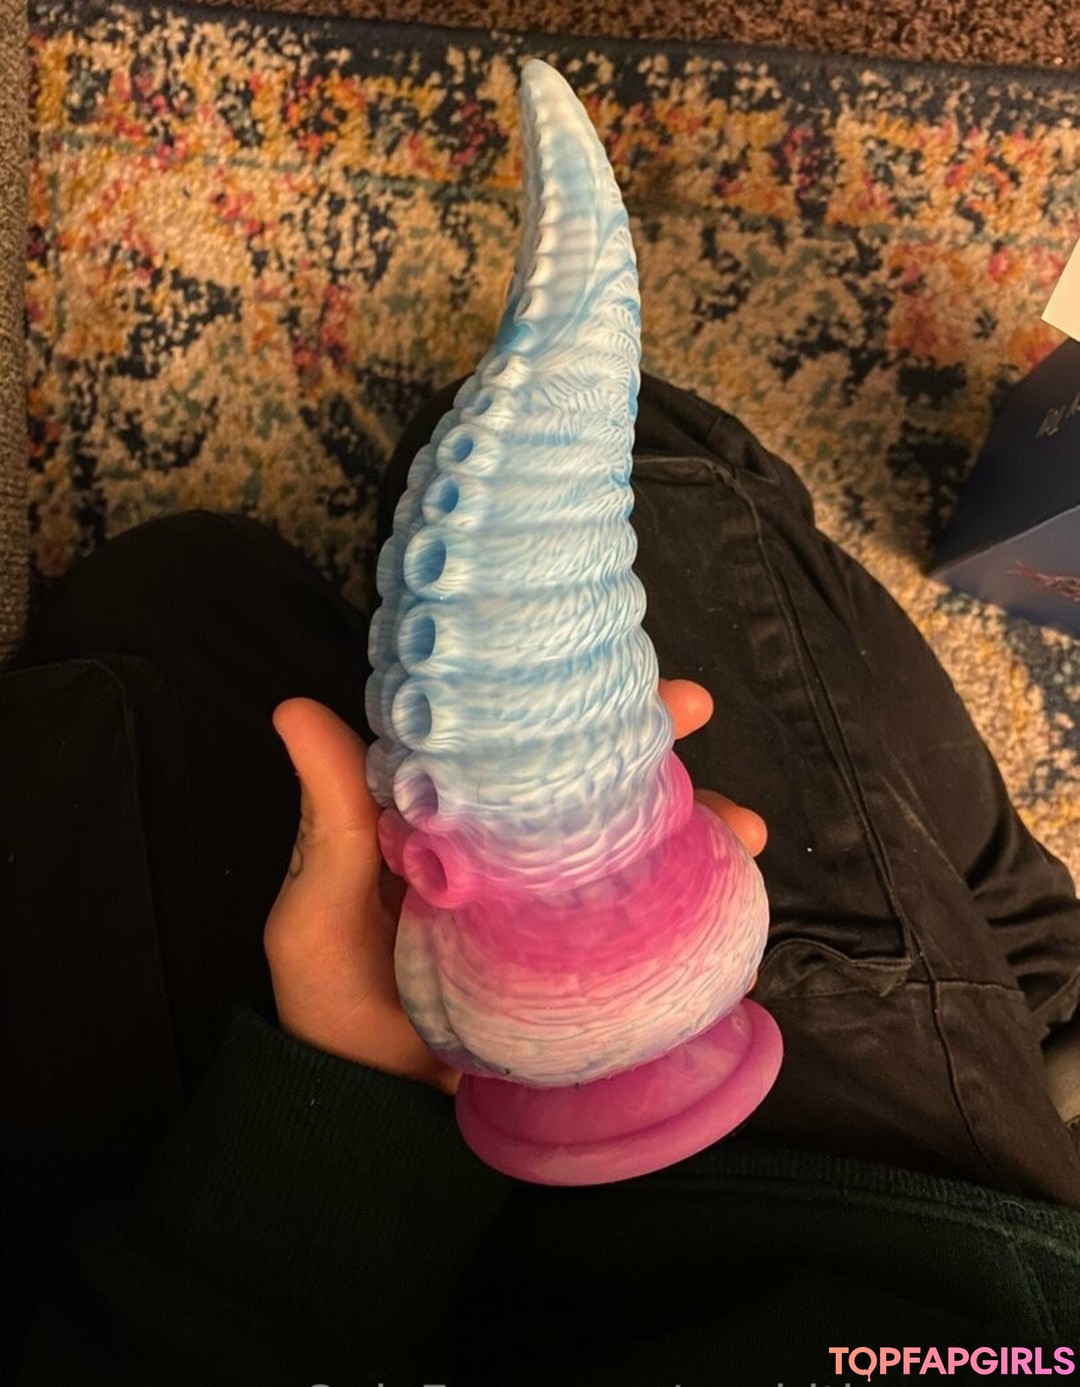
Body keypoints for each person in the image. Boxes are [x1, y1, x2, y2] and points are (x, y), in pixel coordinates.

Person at [3, 374, 1080, 1385]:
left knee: (175, 593)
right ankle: (1055, 999)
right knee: (630, 441)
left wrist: (341, 1117)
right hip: (959, 1247)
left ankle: (1050, 993)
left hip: (371, 1264)